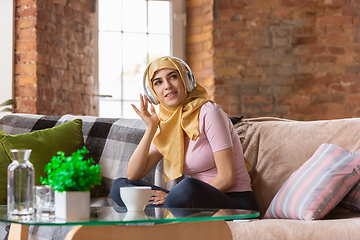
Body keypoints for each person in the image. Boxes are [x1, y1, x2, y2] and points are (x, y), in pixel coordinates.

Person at [110, 56, 259, 211]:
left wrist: (173, 197)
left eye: (173, 77)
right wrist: (151, 129)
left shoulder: (209, 112)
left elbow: (227, 177)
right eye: (158, 82)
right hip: (189, 200)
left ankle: (161, 213)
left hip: (233, 201)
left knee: (187, 186)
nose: (167, 86)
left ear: (186, 81)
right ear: (153, 92)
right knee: (120, 187)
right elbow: (133, 174)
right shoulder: (166, 123)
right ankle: (170, 210)